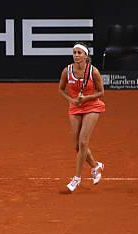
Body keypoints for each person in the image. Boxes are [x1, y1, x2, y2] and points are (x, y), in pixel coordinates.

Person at [58, 43, 106, 192]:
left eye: (79, 52)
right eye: (74, 52)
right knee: (77, 146)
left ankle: (76, 179)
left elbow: (101, 92)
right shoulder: (67, 71)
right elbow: (61, 89)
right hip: (75, 106)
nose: (76, 55)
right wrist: (72, 100)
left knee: (83, 141)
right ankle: (96, 166)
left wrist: (86, 98)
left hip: (92, 106)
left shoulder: (94, 72)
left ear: (86, 56)